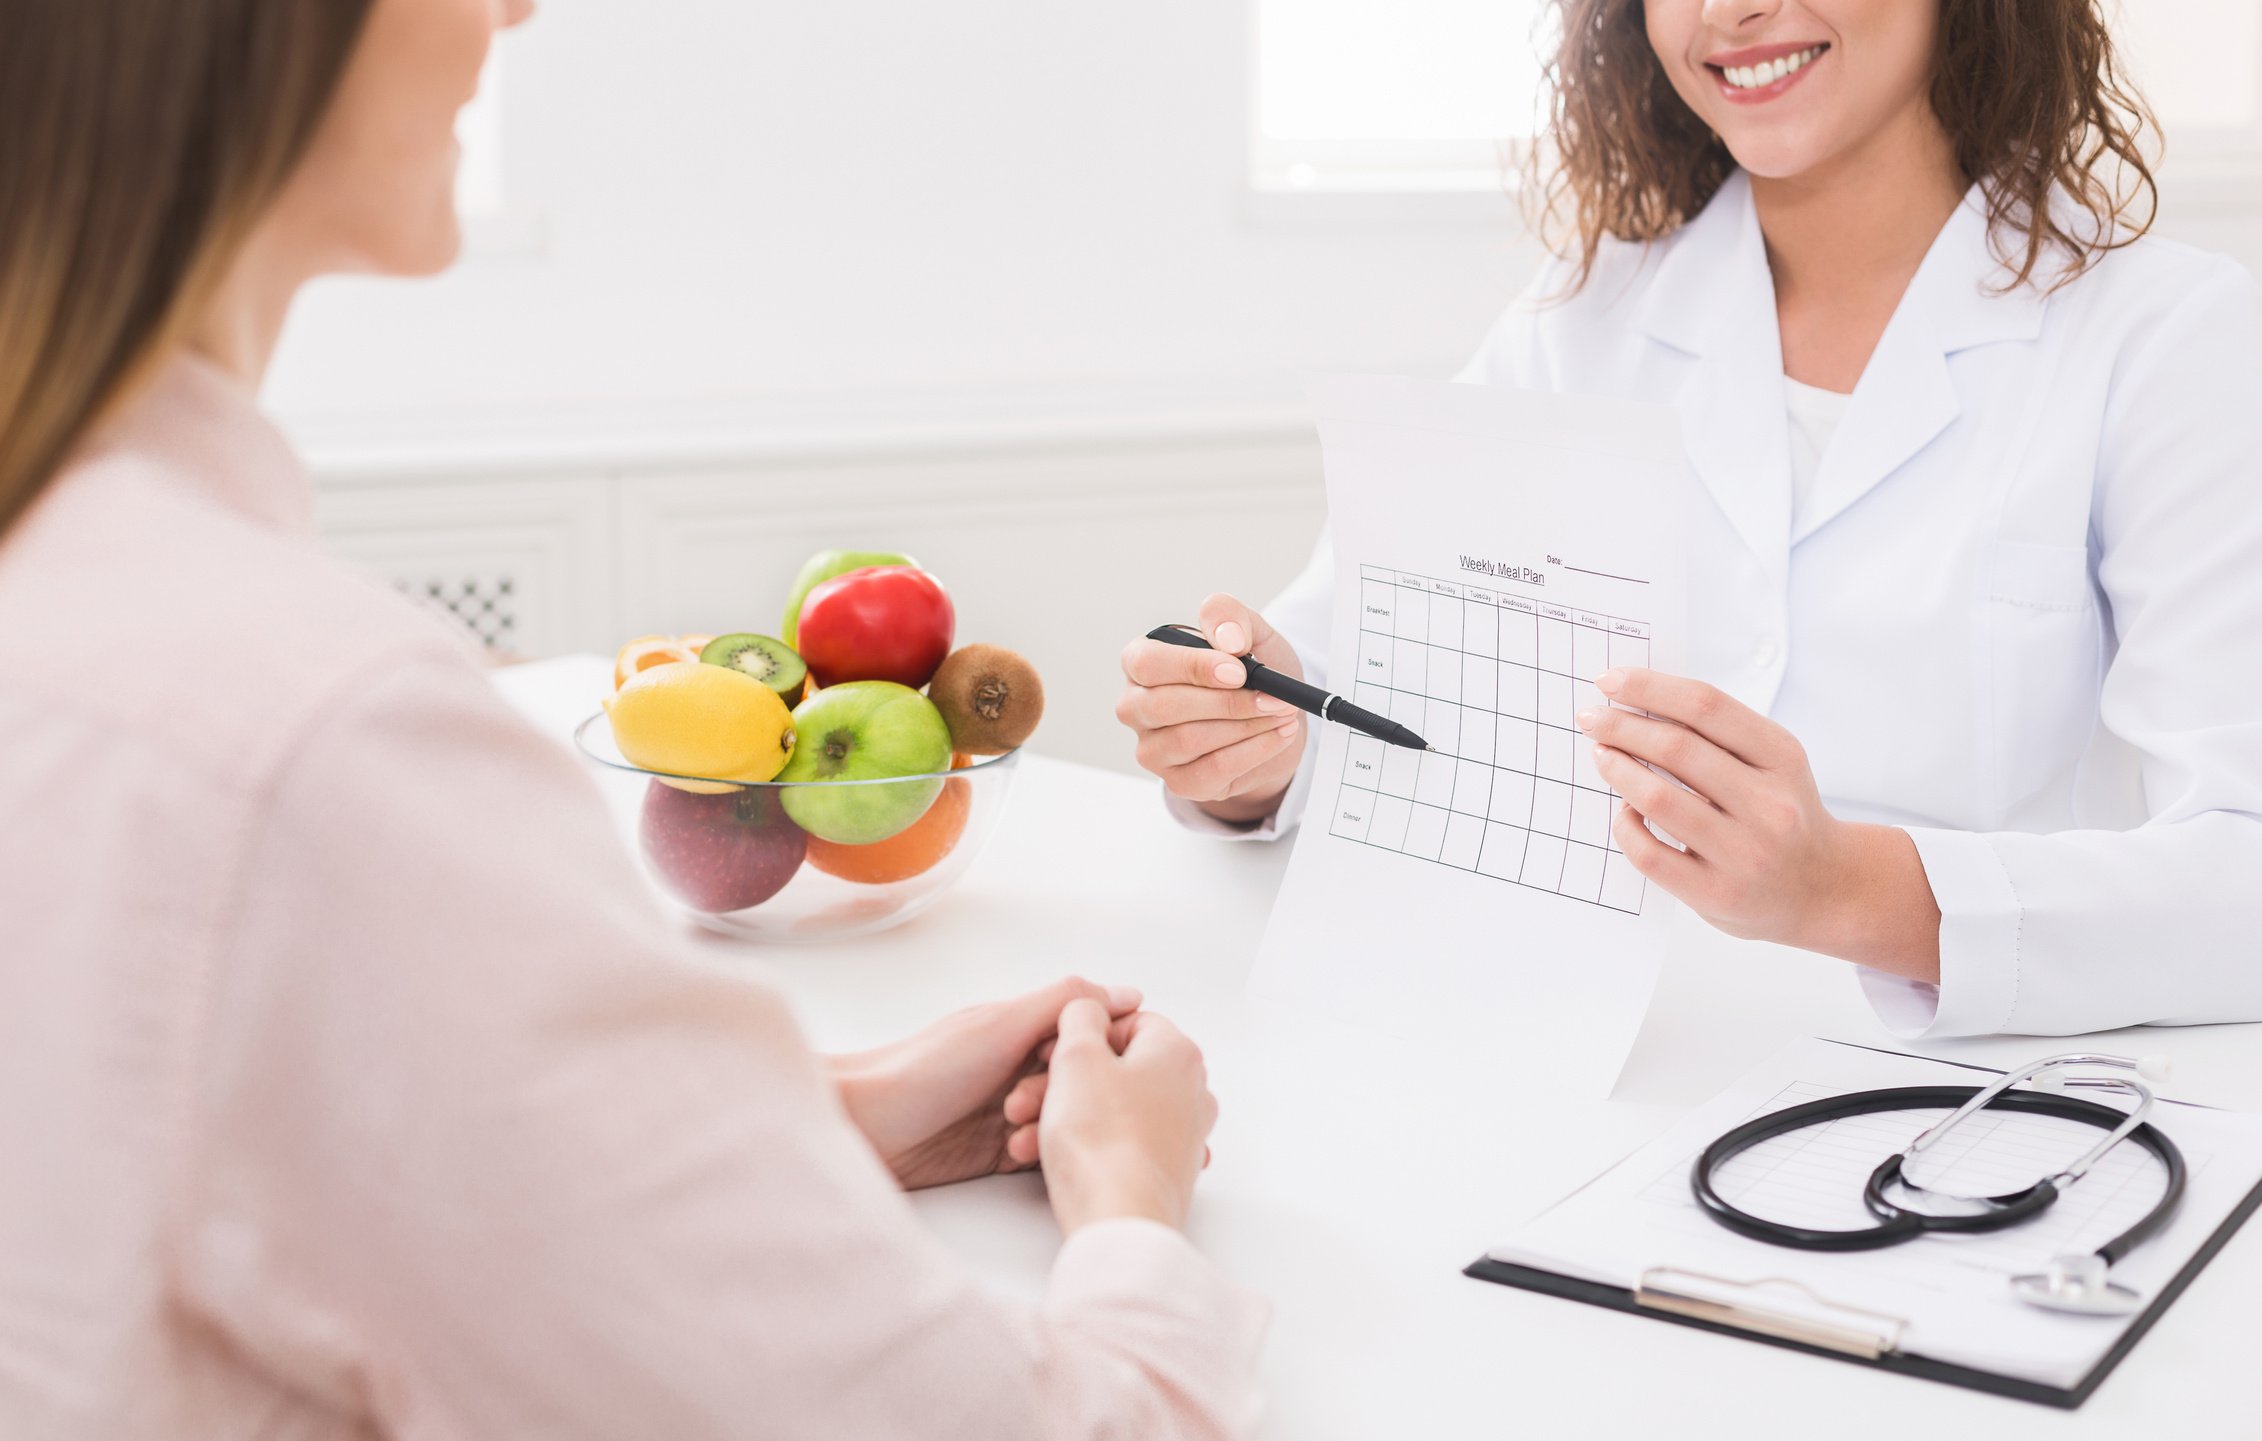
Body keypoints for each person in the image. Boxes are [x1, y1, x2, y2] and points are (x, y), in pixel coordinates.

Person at [0, 1, 1262, 1435]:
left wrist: (820, 1114)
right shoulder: (318, 745)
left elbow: (227, 1139)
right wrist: (1132, 1202)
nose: (517, 7)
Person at [1119, 0, 2262, 1041]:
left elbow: (2240, 879)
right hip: (1608, 1061)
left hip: (2002, 1097)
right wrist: (1249, 750)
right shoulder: (1578, 328)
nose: (1728, 12)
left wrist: (1841, 892)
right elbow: (1348, 688)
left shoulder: (2167, 341)